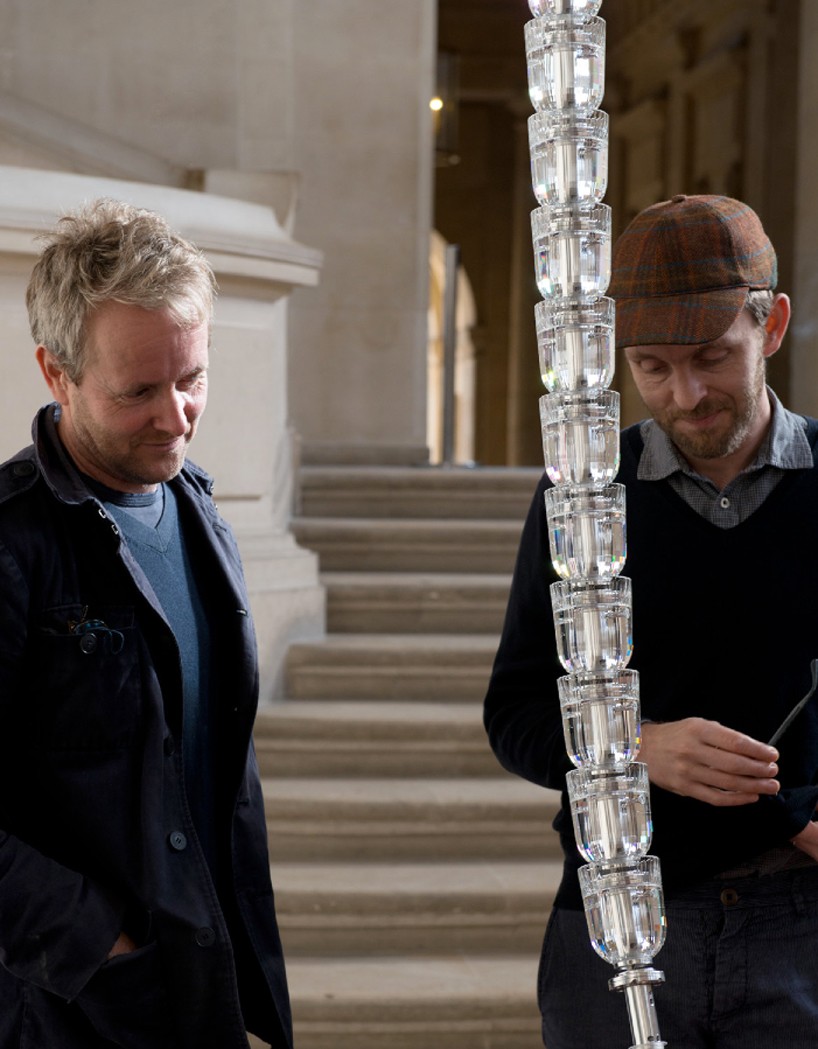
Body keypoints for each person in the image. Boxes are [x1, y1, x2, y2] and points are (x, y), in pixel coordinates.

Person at [484, 194, 818, 1049]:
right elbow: (516, 713)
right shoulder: (582, 491)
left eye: (712, 357)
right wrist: (634, 745)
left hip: (802, 918)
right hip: (617, 915)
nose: (686, 394)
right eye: (652, 366)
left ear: (773, 325)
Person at [0, 198, 292, 1049]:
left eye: (191, 378)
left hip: (204, 984)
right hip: (65, 1009)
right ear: (56, 373)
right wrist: (103, 946)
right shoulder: (11, 541)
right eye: (138, 392)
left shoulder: (203, 513)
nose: (176, 417)